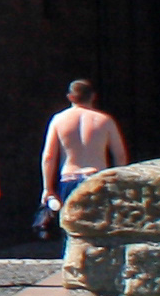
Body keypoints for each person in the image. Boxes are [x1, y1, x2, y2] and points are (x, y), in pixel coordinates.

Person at [40, 78, 127, 238]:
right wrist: (118, 182)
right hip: (97, 178)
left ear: (70, 97)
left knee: (71, 231)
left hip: (69, 179)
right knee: (99, 231)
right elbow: (120, 155)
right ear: (93, 96)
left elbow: (49, 156)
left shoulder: (59, 120)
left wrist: (48, 188)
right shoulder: (105, 121)